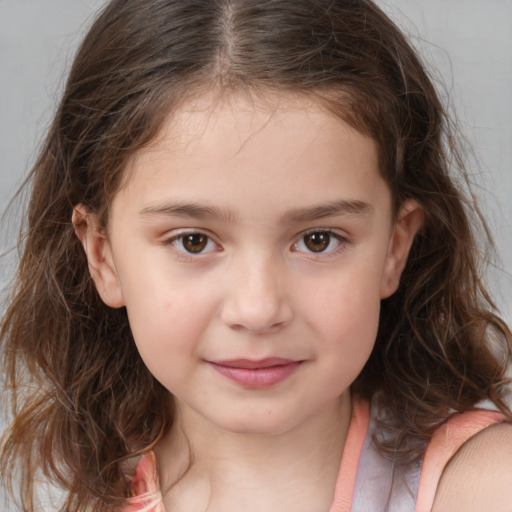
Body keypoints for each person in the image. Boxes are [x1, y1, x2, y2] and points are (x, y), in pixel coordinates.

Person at [1, 0, 511, 510]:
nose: (258, 309)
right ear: (102, 256)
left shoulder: (484, 488)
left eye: (318, 239)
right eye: (193, 241)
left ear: (394, 248)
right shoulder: (62, 492)